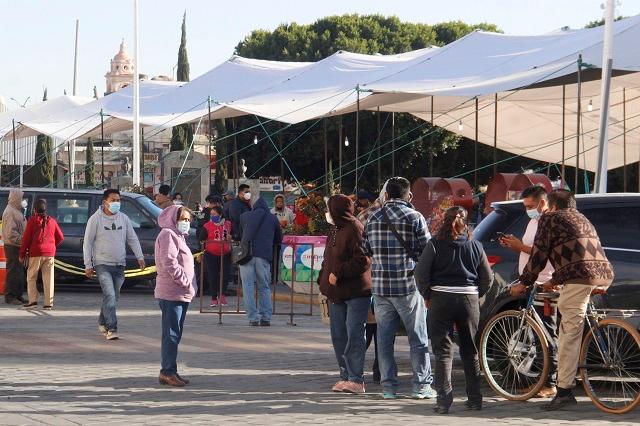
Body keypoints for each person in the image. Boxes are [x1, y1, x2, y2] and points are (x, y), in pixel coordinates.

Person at [517, 189, 614, 411]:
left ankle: (563, 391)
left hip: (580, 276)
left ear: (550, 206)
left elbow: (540, 254)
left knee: (569, 332)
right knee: (576, 316)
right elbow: (576, 252)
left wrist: (524, 281)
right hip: (602, 275)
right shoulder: (581, 218)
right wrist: (558, 279)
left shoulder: (550, 218)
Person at [415, 206, 493, 414]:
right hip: (469, 300)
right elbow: (488, 278)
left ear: (444, 220)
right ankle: (475, 400)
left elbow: (421, 274)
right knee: (470, 351)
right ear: (466, 223)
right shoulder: (475, 245)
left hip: (440, 299)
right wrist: (477, 295)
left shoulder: (434, 245)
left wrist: (427, 295)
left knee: (443, 352)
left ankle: (443, 402)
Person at [363, 177, 435, 400]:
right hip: (408, 286)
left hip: (382, 289)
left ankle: (388, 388)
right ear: (408, 195)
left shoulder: (373, 218)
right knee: (418, 338)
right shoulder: (415, 217)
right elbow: (428, 251)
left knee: (384, 340)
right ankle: (421, 386)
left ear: (386, 195)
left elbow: (367, 250)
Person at [500, 185, 558, 398]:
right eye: (525, 207)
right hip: (534, 282)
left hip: (547, 283)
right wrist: (515, 245)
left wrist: (519, 247)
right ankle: (543, 382)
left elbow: (543, 253)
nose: (528, 210)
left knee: (549, 334)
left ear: (543, 202)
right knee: (540, 335)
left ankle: (551, 382)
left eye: (531, 206)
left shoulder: (548, 221)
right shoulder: (534, 221)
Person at [319, 195, 372, 395]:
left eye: (329, 209)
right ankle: (345, 376)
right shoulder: (334, 228)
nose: (327, 213)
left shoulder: (355, 228)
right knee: (338, 335)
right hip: (335, 293)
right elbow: (328, 258)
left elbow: (363, 260)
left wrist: (338, 272)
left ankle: (356, 379)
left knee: (354, 335)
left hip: (356, 291)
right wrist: (322, 278)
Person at [83, 189, 146, 340]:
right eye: (113, 200)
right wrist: (88, 264)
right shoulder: (95, 219)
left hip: (119, 264)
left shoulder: (124, 218)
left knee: (112, 296)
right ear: (105, 202)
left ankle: (102, 321)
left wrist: (140, 256)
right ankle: (112, 328)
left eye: (118, 200)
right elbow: (88, 242)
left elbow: (132, 239)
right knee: (110, 294)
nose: (116, 203)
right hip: (102, 264)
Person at [154, 205, 196, 387]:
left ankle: (171, 369)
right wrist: (185, 280)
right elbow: (169, 262)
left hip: (181, 293)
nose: (185, 223)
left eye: (188, 220)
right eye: (182, 219)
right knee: (171, 334)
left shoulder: (179, 236)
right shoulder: (168, 235)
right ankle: (167, 371)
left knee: (175, 334)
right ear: (174, 218)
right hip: (172, 292)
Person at [238, 197, 282, 326]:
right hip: (263, 256)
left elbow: (241, 234)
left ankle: (253, 318)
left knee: (248, 287)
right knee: (264, 286)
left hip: (246, 256)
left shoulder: (244, 216)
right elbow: (279, 237)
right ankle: (266, 317)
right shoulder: (273, 218)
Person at [19, 199, 64, 310]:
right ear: (45, 209)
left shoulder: (32, 220)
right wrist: (51, 245)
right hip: (50, 254)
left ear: (35, 210)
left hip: (35, 253)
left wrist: (22, 254)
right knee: (48, 278)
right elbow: (61, 237)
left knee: (31, 277)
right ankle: (48, 303)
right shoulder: (52, 221)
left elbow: (26, 239)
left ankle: (33, 301)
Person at [198, 206, 232, 307]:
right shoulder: (207, 226)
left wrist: (230, 237)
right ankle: (213, 298)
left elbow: (232, 235)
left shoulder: (227, 224)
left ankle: (222, 295)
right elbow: (201, 238)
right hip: (211, 254)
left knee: (225, 275)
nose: (212, 216)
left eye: (215, 214)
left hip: (225, 254)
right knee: (213, 276)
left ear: (220, 214)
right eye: (211, 214)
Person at [2, 189, 27, 305]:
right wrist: (24, 239)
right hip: (13, 246)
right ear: (16, 198)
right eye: (21, 198)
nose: (23, 201)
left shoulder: (16, 210)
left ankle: (18, 295)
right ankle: (10, 296)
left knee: (19, 272)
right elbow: (10, 233)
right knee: (13, 271)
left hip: (18, 245)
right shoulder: (10, 212)